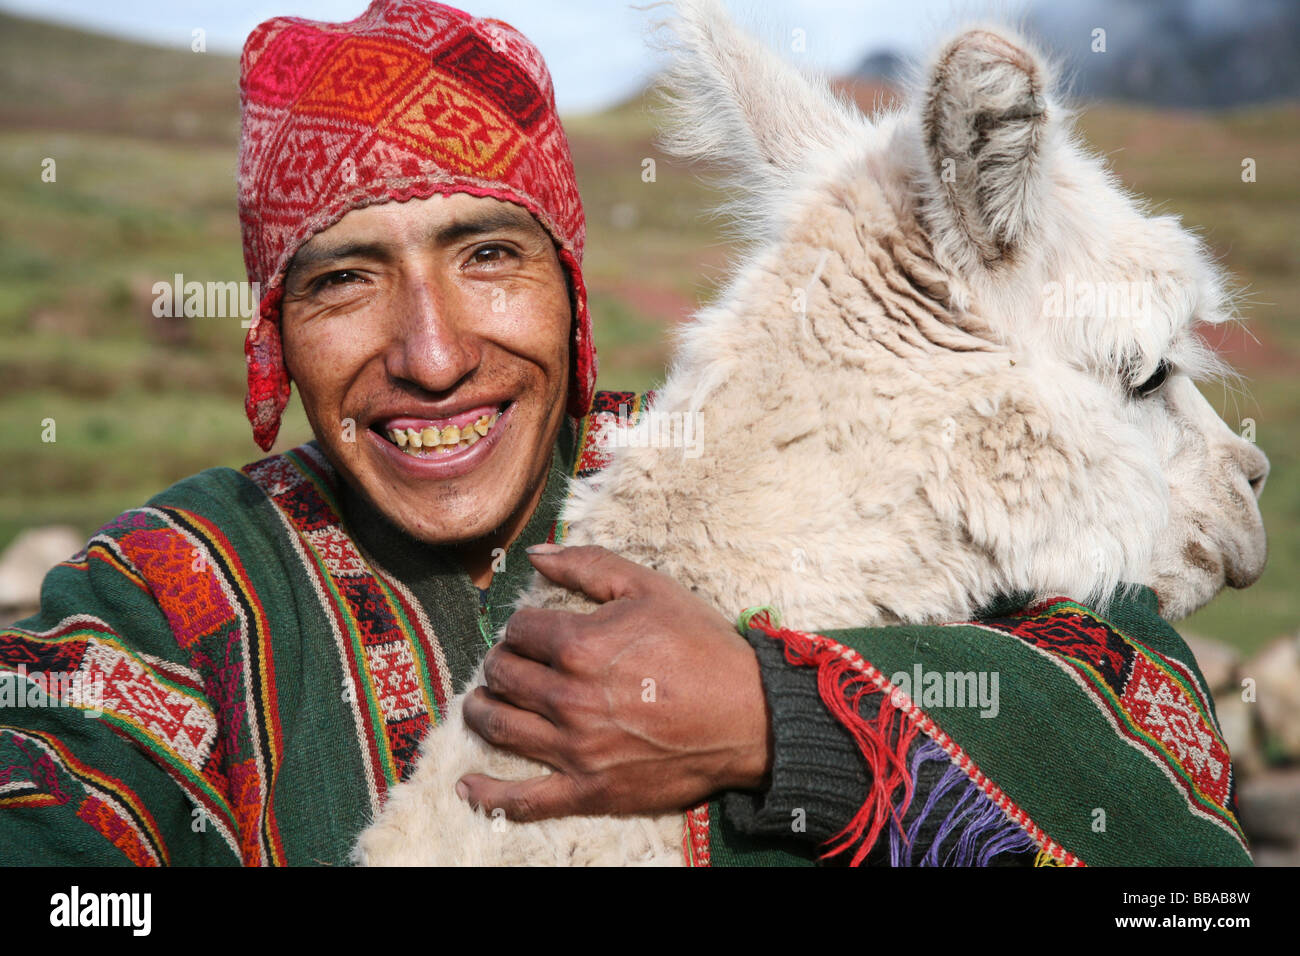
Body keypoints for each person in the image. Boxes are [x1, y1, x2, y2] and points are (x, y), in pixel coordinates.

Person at [0, 0, 1249, 867]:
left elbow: (1153, 769)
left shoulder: (806, 474)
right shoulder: (178, 592)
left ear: (569, 285)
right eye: (343, 280)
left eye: (489, 257)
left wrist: (781, 720)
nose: (431, 356)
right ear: (275, 327)